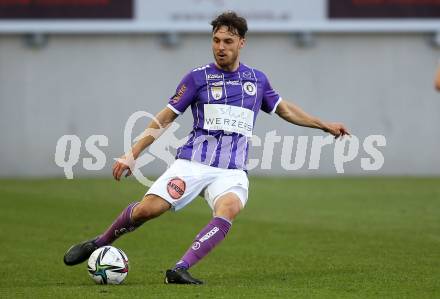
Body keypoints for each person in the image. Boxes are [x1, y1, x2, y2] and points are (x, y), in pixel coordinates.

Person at [63, 11, 350, 285]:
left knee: (229, 209)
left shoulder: (257, 80)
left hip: (231, 171)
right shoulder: (197, 78)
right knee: (147, 211)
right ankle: (98, 243)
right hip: (192, 164)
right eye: (216, 41)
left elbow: (285, 109)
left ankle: (179, 269)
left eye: (227, 41)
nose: (220, 47)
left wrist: (323, 124)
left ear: (241, 43)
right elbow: (165, 118)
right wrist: (132, 153)